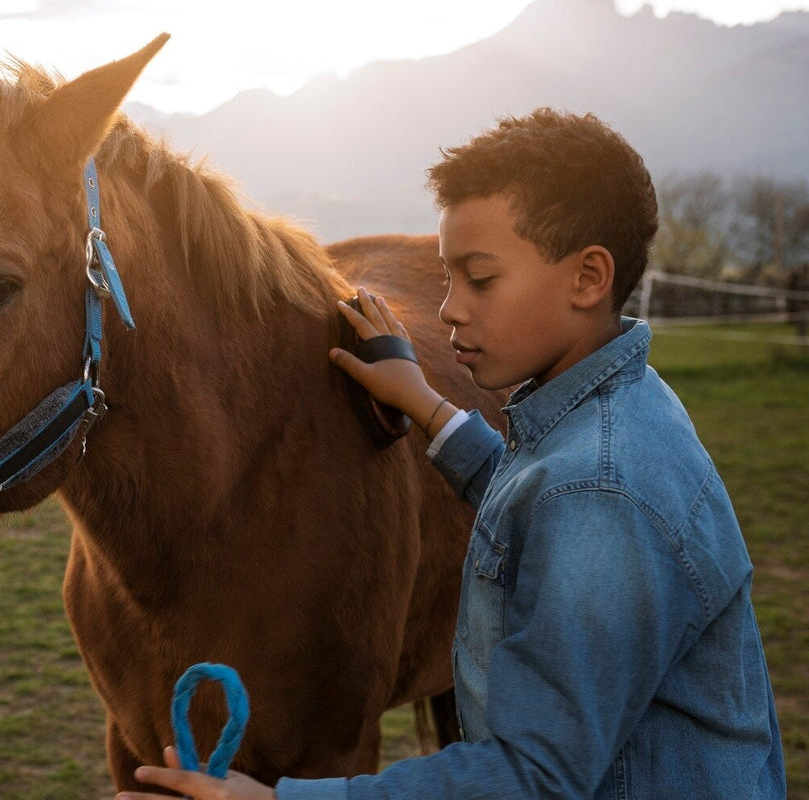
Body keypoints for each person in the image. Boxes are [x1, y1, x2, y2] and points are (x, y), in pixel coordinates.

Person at [121, 109, 786, 799]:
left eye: (481, 279)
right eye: (447, 278)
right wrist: (427, 406)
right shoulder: (621, 409)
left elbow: (537, 777)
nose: (448, 310)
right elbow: (537, 514)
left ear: (588, 278)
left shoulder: (600, 492)